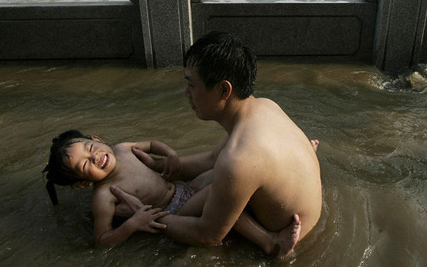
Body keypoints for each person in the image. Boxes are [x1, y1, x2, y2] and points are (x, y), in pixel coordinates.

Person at [111, 31, 322, 255]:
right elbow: (214, 158)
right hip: (303, 215)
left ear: (224, 90)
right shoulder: (265, 107)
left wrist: (144, 216)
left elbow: (207, 235)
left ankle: (270, 242)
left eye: (192, 85)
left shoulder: (239, 158)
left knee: (195, 204)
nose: (186, 93)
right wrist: (167, 166)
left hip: (292, 240)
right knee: (211, 179)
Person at [43, 129, 300, 255]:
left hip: (183, 188)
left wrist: (170, 154)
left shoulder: (122, 149)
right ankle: (269, 242)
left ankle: (285, 162)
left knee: (228, 167)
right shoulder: (104, 196)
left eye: (90, 148)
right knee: (223, 191)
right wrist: (133, 224)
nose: (96, 157)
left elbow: (153, 143)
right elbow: (101, 240)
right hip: (175, 212)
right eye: (85, 164)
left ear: (96, 139)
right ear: (81, 184)